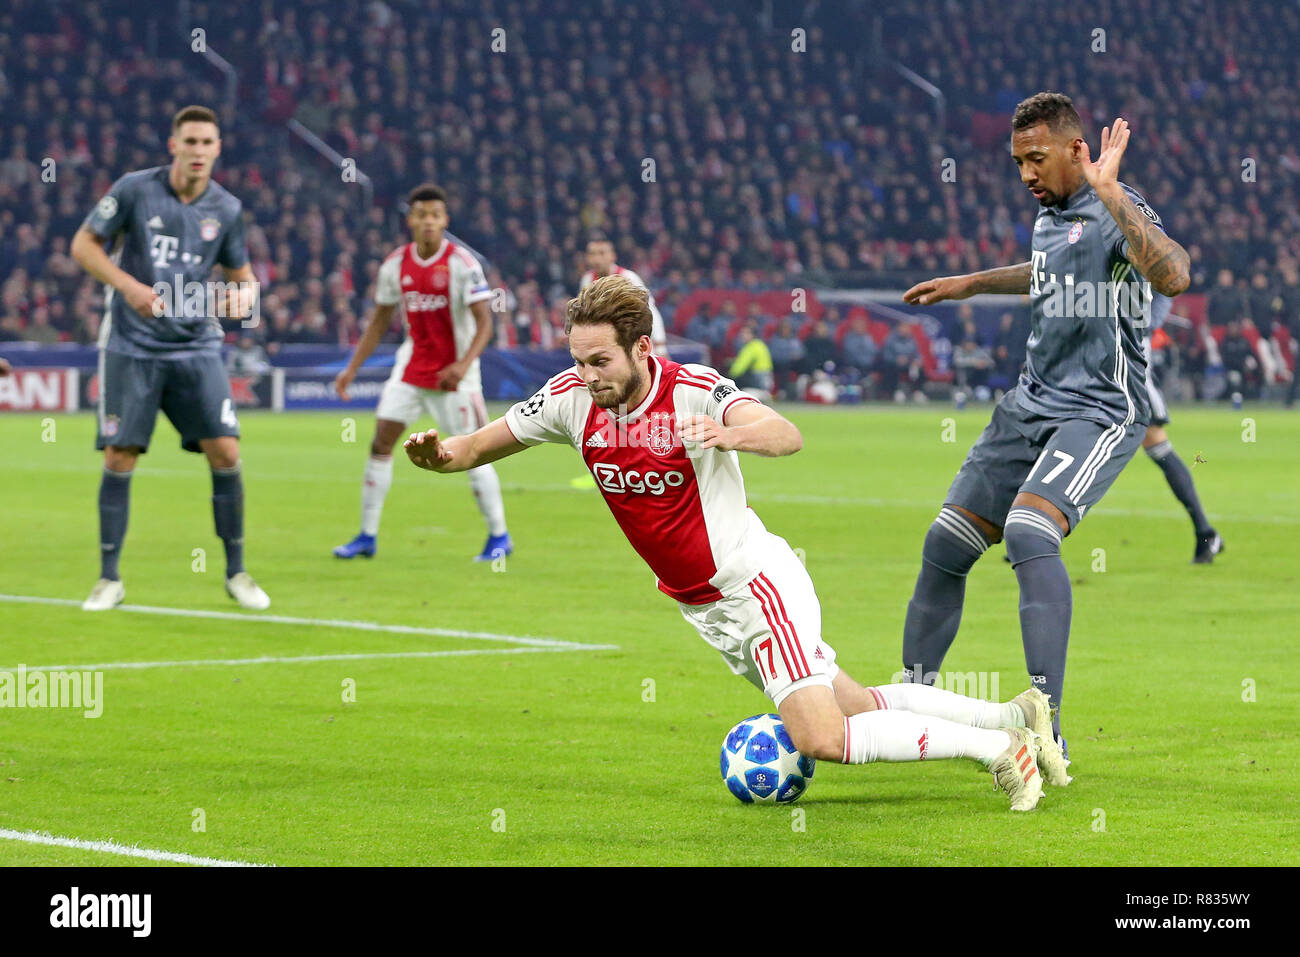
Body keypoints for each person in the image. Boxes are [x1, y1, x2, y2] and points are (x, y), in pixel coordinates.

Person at [403, 274, 1068, 811]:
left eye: (600, 360)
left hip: (755, 588)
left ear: (642, 349)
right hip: (707, 608)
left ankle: (1001, 749)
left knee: (822, 735)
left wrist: (731, 433)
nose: (588, 375)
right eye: (577, 361)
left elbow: (785, 433)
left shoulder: (691, 390)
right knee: (857, 703)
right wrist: (440, 454)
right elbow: (477, 444)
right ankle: (1017, 712)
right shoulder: (570, 399)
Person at [898, 94, 1191, 763]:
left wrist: (1112, 191)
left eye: (1036, 158)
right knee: (944, 544)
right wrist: (971, 283)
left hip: (1099, 409)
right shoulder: (1048, 217)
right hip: (1028, 405)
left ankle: (1043, 727)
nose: (1026, 173)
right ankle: (909, 703)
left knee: (1031, 531)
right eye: (1018, 162)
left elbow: (1174, 274)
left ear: (1076, 151)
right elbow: (1046, 273)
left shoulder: (1116, 205)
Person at [70, 104, 270, 612]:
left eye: (208, 143)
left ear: (218, 149)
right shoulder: (135, 190)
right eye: (191, 141)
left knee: (225, 450)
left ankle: (237, 572)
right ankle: (109, 579)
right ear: (173, 144)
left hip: (195, 343)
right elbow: (84, 244)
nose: (199, 151)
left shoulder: (226, 208)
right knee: (120, 456)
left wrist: (246, 296)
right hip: (131, 344)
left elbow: (242, 274)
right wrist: (129, 287)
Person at [332, 184, 510, 562]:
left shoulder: (463, 264)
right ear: (410, 220)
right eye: (421, 215)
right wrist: (351, 369)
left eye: (435, 215)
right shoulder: (395, 265)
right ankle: (366, 536)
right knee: (381, 443)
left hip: (455, 377)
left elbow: (484, 325)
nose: (428, 222)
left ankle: (499, 536)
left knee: (475, 452)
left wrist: (462, 366)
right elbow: (379, 321)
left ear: (444, 220)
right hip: (411, 369)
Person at [1141, 294, 1223, 562]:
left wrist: (1144, 324)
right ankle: (1205, 531)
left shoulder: (1139, 255)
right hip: (1087, 370)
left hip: (1126, 371)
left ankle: (1031, 538)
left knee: (1158, 447)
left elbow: (1168, 283)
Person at [579, 233, 668, 355]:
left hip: (633, 343)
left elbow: (649, 309)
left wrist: (660, 344)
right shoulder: (587, 280)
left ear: (612, 256)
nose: (597, 259)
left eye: (601, 253)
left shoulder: (628, 278)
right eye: (592, 254)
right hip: (605, 345)